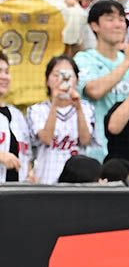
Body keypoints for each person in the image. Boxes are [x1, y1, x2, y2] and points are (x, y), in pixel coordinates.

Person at [77, 0, 129, 162]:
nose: (118, 25)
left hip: (128, 153)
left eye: (121, 19)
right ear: (94, 26)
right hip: (94, 152)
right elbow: (94, 91)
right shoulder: (84, 59)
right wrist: (128, 61)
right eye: (110, 19)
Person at [28, 56, 95, 185]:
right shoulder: (37, 110)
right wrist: (55, 104)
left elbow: (85, 140)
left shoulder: (86, 108)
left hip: (77, 180)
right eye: (57, 75)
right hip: (46, 179)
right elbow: (47, 138)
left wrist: (78, 107)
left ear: (76, 80)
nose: (62, 79)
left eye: (68, 75)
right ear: (47, 80)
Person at [0, 53, 32, 182]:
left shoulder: (17, 115)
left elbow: (26, 154)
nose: (4, 77)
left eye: (7, 72)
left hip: (15, 194)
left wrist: (30, 174)